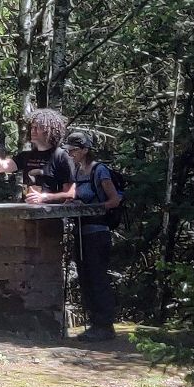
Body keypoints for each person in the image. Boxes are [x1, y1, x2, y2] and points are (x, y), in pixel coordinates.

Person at [60, 129, 121, 341]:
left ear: (85, 150)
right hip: (81, 233)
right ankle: (96, 324)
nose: (70, 154)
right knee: (85, 278)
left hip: (98, 234)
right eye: (69, 150)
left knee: (97, 278)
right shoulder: (78, 172)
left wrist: (90, 208)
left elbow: (114, 200)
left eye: (74, 150)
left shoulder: (99, 171)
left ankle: (105, 326)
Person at [0, 108, 74, 204]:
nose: (33, 131)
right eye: (32, 127)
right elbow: (2, 167)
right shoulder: (26, 156)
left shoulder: (61, 157)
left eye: (38, 128)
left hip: (52, 216)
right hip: (28, 213)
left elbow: (70, 194)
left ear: (49, 130)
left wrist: (44, 197)